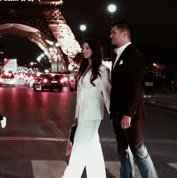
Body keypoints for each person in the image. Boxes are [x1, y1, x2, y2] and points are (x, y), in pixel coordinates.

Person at [109, 21, 158, 178]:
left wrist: (128, 113)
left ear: (124, 33)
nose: (110, 35)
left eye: (113, 32)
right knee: (123, 148)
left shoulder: (134, 54)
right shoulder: (117, 55)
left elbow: (136, 86)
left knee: (138, 148)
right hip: (117, 112)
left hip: (129, 114)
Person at [62, 39, 110, 178]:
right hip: (83, 114)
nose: (83, 51)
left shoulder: (103, 70)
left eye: (87, 48)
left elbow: (108, 94)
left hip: (93, 113)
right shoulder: (84, 69)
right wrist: (76, 117)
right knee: (93, 149)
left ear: (94, 50)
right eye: (83, 48)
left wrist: (116, 114)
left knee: (79, 149)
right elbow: (79, 97)